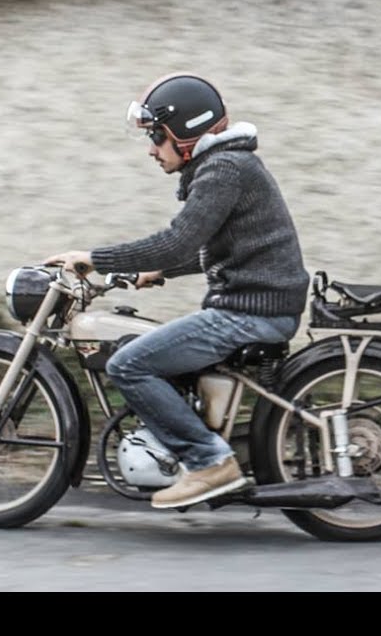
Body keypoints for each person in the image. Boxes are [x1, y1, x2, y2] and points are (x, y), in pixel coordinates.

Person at [46, 72, 310, 509]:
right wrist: (157, 273)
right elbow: (223, 247)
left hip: (249, 312)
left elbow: (178, 239)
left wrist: (95, 257)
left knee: (129, 364)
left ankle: (209, 463)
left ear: (185, 132)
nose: (152, 149)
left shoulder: (224, 169)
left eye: (156, 136)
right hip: (257, 305)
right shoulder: (228, 165)